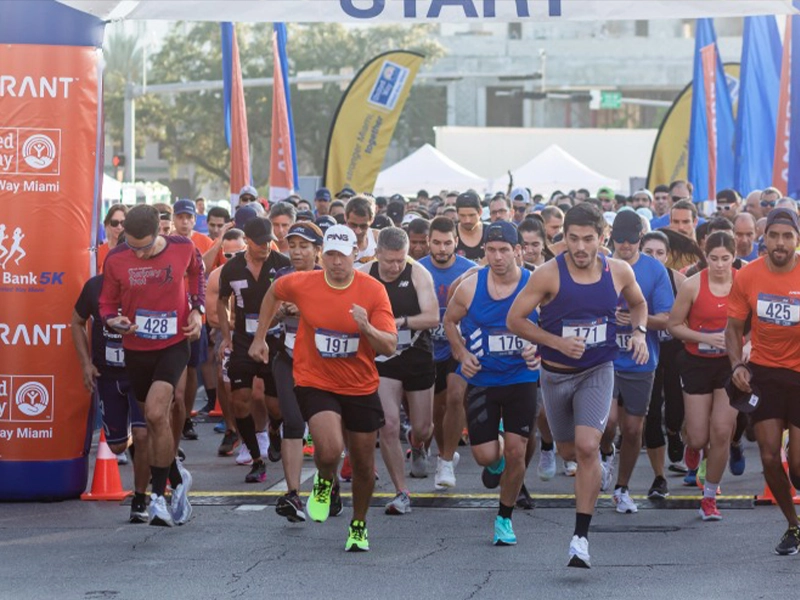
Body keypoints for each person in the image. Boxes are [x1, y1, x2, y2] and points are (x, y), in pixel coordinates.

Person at [506, 203, 648, 568]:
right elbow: (515, 319)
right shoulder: (547, 275)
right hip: (555, 375)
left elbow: (639, 303)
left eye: (589, 239)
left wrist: (640, 333)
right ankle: (599, 459)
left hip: (597, 371)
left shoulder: (618, 271)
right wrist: (555, 343)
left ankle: (580, 539)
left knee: (587, 448)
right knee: (570, 452)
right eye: (573, 239)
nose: (581, 247)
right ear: (562, 238)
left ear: (603, 238)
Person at [248, 225, 397, 552]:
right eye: (329, 255)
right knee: (328, 449)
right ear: (322, 255)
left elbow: (388, 345)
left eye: (342, 256)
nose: (335, 262)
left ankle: (358, 525)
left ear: (355, 256)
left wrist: (366, 327)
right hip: (315, 380)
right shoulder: (303, 283)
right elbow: (273, 292)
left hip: (359, 384)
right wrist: (259, 337)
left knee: (363, 466)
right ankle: (323, 482)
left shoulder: (372, 291)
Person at [99, 204, 204, 527]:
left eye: (144, 247)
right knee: (154, 422)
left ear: (160, 233)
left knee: (157, 414)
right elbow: (106, 301)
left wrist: (197, 309)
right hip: (136, 347)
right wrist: (111, 320)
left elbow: (197, 274)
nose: (138, 254)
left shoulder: (183, 248)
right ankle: (176, 475)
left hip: (174, 344)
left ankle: (158, 497)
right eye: (132, 245)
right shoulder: (117, 258)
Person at [444, 221, 541, 545]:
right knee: (486, 457)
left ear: (518, 251)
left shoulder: (536, 284)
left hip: (521, 378)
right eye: (491, 250)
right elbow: (449, 320)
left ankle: (504, 518)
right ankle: (495, 457)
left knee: (517, 452)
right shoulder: (471, 286)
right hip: (483, 379)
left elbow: (556, 326)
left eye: (504, 250)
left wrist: (537, 349)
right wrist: (460, 352)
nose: (497, 257)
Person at [726, 208, 800, 554]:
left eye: (788, 236)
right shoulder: (748, 276)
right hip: (765, 372)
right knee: (769, 458)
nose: (781, 242)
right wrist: (737, 364)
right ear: (764, 238)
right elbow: (732, 329)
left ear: (797, 239)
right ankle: (793, 527)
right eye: (774, 235)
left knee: (798, 467)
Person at [598, 211, 674, 513]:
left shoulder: (654, 271)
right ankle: (605, 452)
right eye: (619, 240)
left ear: (640, 238)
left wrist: (636, 322)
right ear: (611, 238)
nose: (625, 246)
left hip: (641, 361)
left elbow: (667, 320)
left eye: (631, 241)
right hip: (604, 358)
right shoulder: (599, 265)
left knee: (632, 430)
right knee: (609, 422)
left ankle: (622, 487)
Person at [360, 227, 438, 514]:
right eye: (389, 261)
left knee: (422, 427)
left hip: (416, 353)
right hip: (383, 359)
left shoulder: (418, 273)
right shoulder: (365, 274)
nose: (395, 267)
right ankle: (401, 492)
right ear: (377, 252)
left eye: (400, 261)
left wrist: (400, 323)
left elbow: (432, 317)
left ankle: (418, 444)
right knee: (389, 425)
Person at [667, 232, 739, 520]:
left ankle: (709, 497)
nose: (719, 265)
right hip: (696, 362)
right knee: (698, 437)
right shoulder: (693, 285)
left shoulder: (742, 283)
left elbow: (753, 325)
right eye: (713, 258)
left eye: (725, 259)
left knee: (722, 431)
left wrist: (743, 345)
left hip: (729, 365)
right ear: (705, 258)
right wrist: (703, 337)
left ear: (733, 258)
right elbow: (674, 325)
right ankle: (692, 446)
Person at [217, 217, 290, 483]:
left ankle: (274, 429)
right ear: (247, 241)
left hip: (275, 340)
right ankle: (257, 460)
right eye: (260, 243)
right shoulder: (232, 268)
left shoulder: (282, 264)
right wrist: (226, 337)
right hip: (243, 341)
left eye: (269, 241)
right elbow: (221, 301)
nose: (266, 246)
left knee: (275, 405)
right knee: (240, 399)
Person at [72, 269, 149, 523]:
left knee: (142, 434)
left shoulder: (148, 285)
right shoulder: (94, 286)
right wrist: (86, 364)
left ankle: (140, 499)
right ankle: (160, 456)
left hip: (140, 371)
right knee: (117, 445)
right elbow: (76, 321)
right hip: (108, 374)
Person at [271, 222, 325, 522]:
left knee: (321, 431)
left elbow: (337, 319)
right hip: (287, 357)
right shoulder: (281, 277)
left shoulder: (328, 278)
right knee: (292, 423)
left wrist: (304, 311)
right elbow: (265, 316)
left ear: (318, 251)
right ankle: (292, 494)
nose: (297, 252)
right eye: (292, 246)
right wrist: (279, 313)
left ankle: (325, 484)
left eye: (304, 246)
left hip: (321, 363)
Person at [418, 217, 475, 491]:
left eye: (447, 242)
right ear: (428, 241)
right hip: (427, 349)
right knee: (436, 413)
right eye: (436, 242)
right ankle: (444, 451)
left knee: (455, 397)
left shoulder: (471, 271)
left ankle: (444, 462)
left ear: (457, 242)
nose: (442, 248)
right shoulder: (416, 270)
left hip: (458, 347)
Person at [641, 231, 688, 494]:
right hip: (646, 348)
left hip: (673, 348)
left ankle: (674, 432)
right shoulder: (631, 276)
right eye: (649, 252)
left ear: (668, 256)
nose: (655, 258)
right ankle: (659, 477)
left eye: (660, 253)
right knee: (651, 409)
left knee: (675, 403)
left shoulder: (679, 280)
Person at [204, 229, 247, 455]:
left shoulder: (264, 269)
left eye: (239, 254)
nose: (234, 260)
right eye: (229, 256)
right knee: (224, 375)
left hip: (259, 330)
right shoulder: (217, 276)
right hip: (228, 330)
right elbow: (212, 317)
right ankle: (231, 428)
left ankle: (266, 428)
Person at [345, 195, 380, 264]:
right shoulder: (336, 239)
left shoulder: (378, 238)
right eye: (353, 225)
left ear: (372, 220)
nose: (358, 231)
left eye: (363, 226)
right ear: (345, 217)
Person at [455, 191, 485, 261]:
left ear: (480, 212)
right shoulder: (451, 232)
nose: (467, 220)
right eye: (462, 215)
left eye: (471, 215)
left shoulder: (489, 232)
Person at [97, 204, 128, 272]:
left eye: (123, 223)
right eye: (114, 223)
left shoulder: (136, 251)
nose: (119, 227)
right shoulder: (99, 252)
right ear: (107, 224)